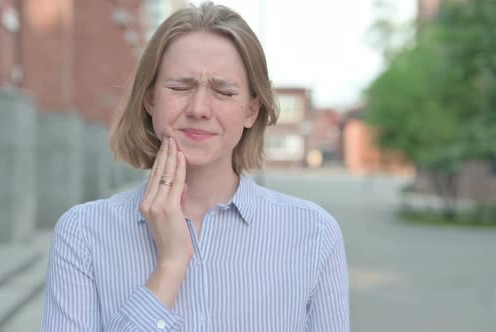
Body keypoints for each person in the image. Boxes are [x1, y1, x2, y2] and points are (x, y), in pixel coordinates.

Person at [41, 2, 349, 331]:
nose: (199, 108)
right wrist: (170, 265)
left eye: (224, 91)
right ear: (149, 100)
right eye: (180, 86)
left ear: (251, 111)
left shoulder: (314, 234)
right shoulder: (83, 234)